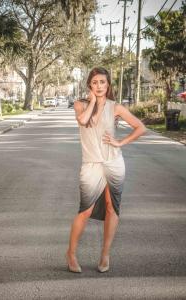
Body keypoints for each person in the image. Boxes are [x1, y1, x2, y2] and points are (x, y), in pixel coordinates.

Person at [66, 67, 147, 273]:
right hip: (91, 164)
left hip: (114, 163)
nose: (99, 86)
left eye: (103, 82)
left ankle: (105, 254)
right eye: (95, 82)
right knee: (85, 210)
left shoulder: (116, 107)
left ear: (108, 84)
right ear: (89, 86)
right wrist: (93, 102)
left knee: (112, 208)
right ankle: (71, 254)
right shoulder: (80, 105)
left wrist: (120, 142)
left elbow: (141, 127)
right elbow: (83, 121)